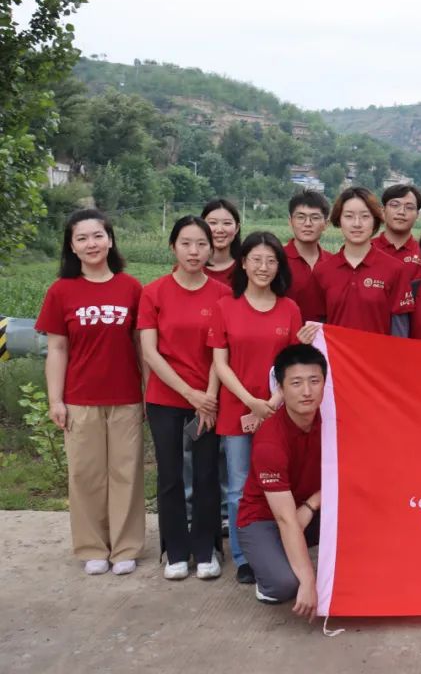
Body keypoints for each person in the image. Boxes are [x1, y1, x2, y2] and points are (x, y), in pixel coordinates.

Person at [36, 209, 145, 576]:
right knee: (85, 475)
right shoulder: (61, 291)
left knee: (126, 474)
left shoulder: (131, 288)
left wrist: (147, 392)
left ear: (110, 240)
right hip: (80, 399)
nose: (91, 244)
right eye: (81, 238)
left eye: (97, 236)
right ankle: (93, 547)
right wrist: (55, 399)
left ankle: (126, 547)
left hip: (126, 397)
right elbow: (57, 349)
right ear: (72, 247)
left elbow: (141, 346)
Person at [208, 232, 308, 585]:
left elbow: (294, 365)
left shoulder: (289, 308)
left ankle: (278, 548)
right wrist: (251, 402)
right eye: (256, 260)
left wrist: (270, 405)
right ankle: (243, 556)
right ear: (243, 263)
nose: (263, 267)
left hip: (280, 413)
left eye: (271, 261)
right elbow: (220, 364)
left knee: (279, 484)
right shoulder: (225, 306)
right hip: (236, 410)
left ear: (279, 266)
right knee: (238, 487)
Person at [138, 216, 230, 580]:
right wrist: (189, 393)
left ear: (211, 248)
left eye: (201, 244)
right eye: (186, 244)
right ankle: (174, 550)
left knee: (207, 473)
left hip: (207, 401)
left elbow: (220, 351)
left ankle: (207, 549)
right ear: (173, 247)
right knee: (170, 475)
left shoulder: (222, 294)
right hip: (165, 400)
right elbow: (150, 351)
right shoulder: (154, 292)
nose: (194, 251)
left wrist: (208, 396)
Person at [236, 344, 326, 619]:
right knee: (285, 584)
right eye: (296, 383)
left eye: (314, 381)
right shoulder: (270, 442)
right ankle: (268, 567)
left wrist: (312, 503)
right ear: (281, 388)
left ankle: (290, 553)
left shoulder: (331, 423)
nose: (307, 391)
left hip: (309, 509)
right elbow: (286, 519)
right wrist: (308, 581)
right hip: (265, 519)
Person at [310, 187, 415, 335]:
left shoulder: (395, 269)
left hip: (378, 350)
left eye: (365, 216)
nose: (357, 224)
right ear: (339, 220)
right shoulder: (322, 271)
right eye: (349, 216)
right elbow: (318, 325)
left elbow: (400, 329)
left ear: (375, 221)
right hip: (335, 350)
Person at [283, 189, 332, 323]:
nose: (307, 223)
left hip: (325, 335)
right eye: (301, 217)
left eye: (315, 218)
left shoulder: (334, 263)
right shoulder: (276, 260)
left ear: (326, 224)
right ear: (290, 221)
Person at [371, 183, 421, 282]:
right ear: (383, 211)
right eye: (395, 205)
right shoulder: (366, 249)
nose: (401, 212)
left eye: (409, 207)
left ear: (418, 215)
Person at [201, 199, 242, 286]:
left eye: (227, 223)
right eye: (213, 223)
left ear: (237, 228)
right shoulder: (189, 267)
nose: (219, 230)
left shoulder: (247, 268)